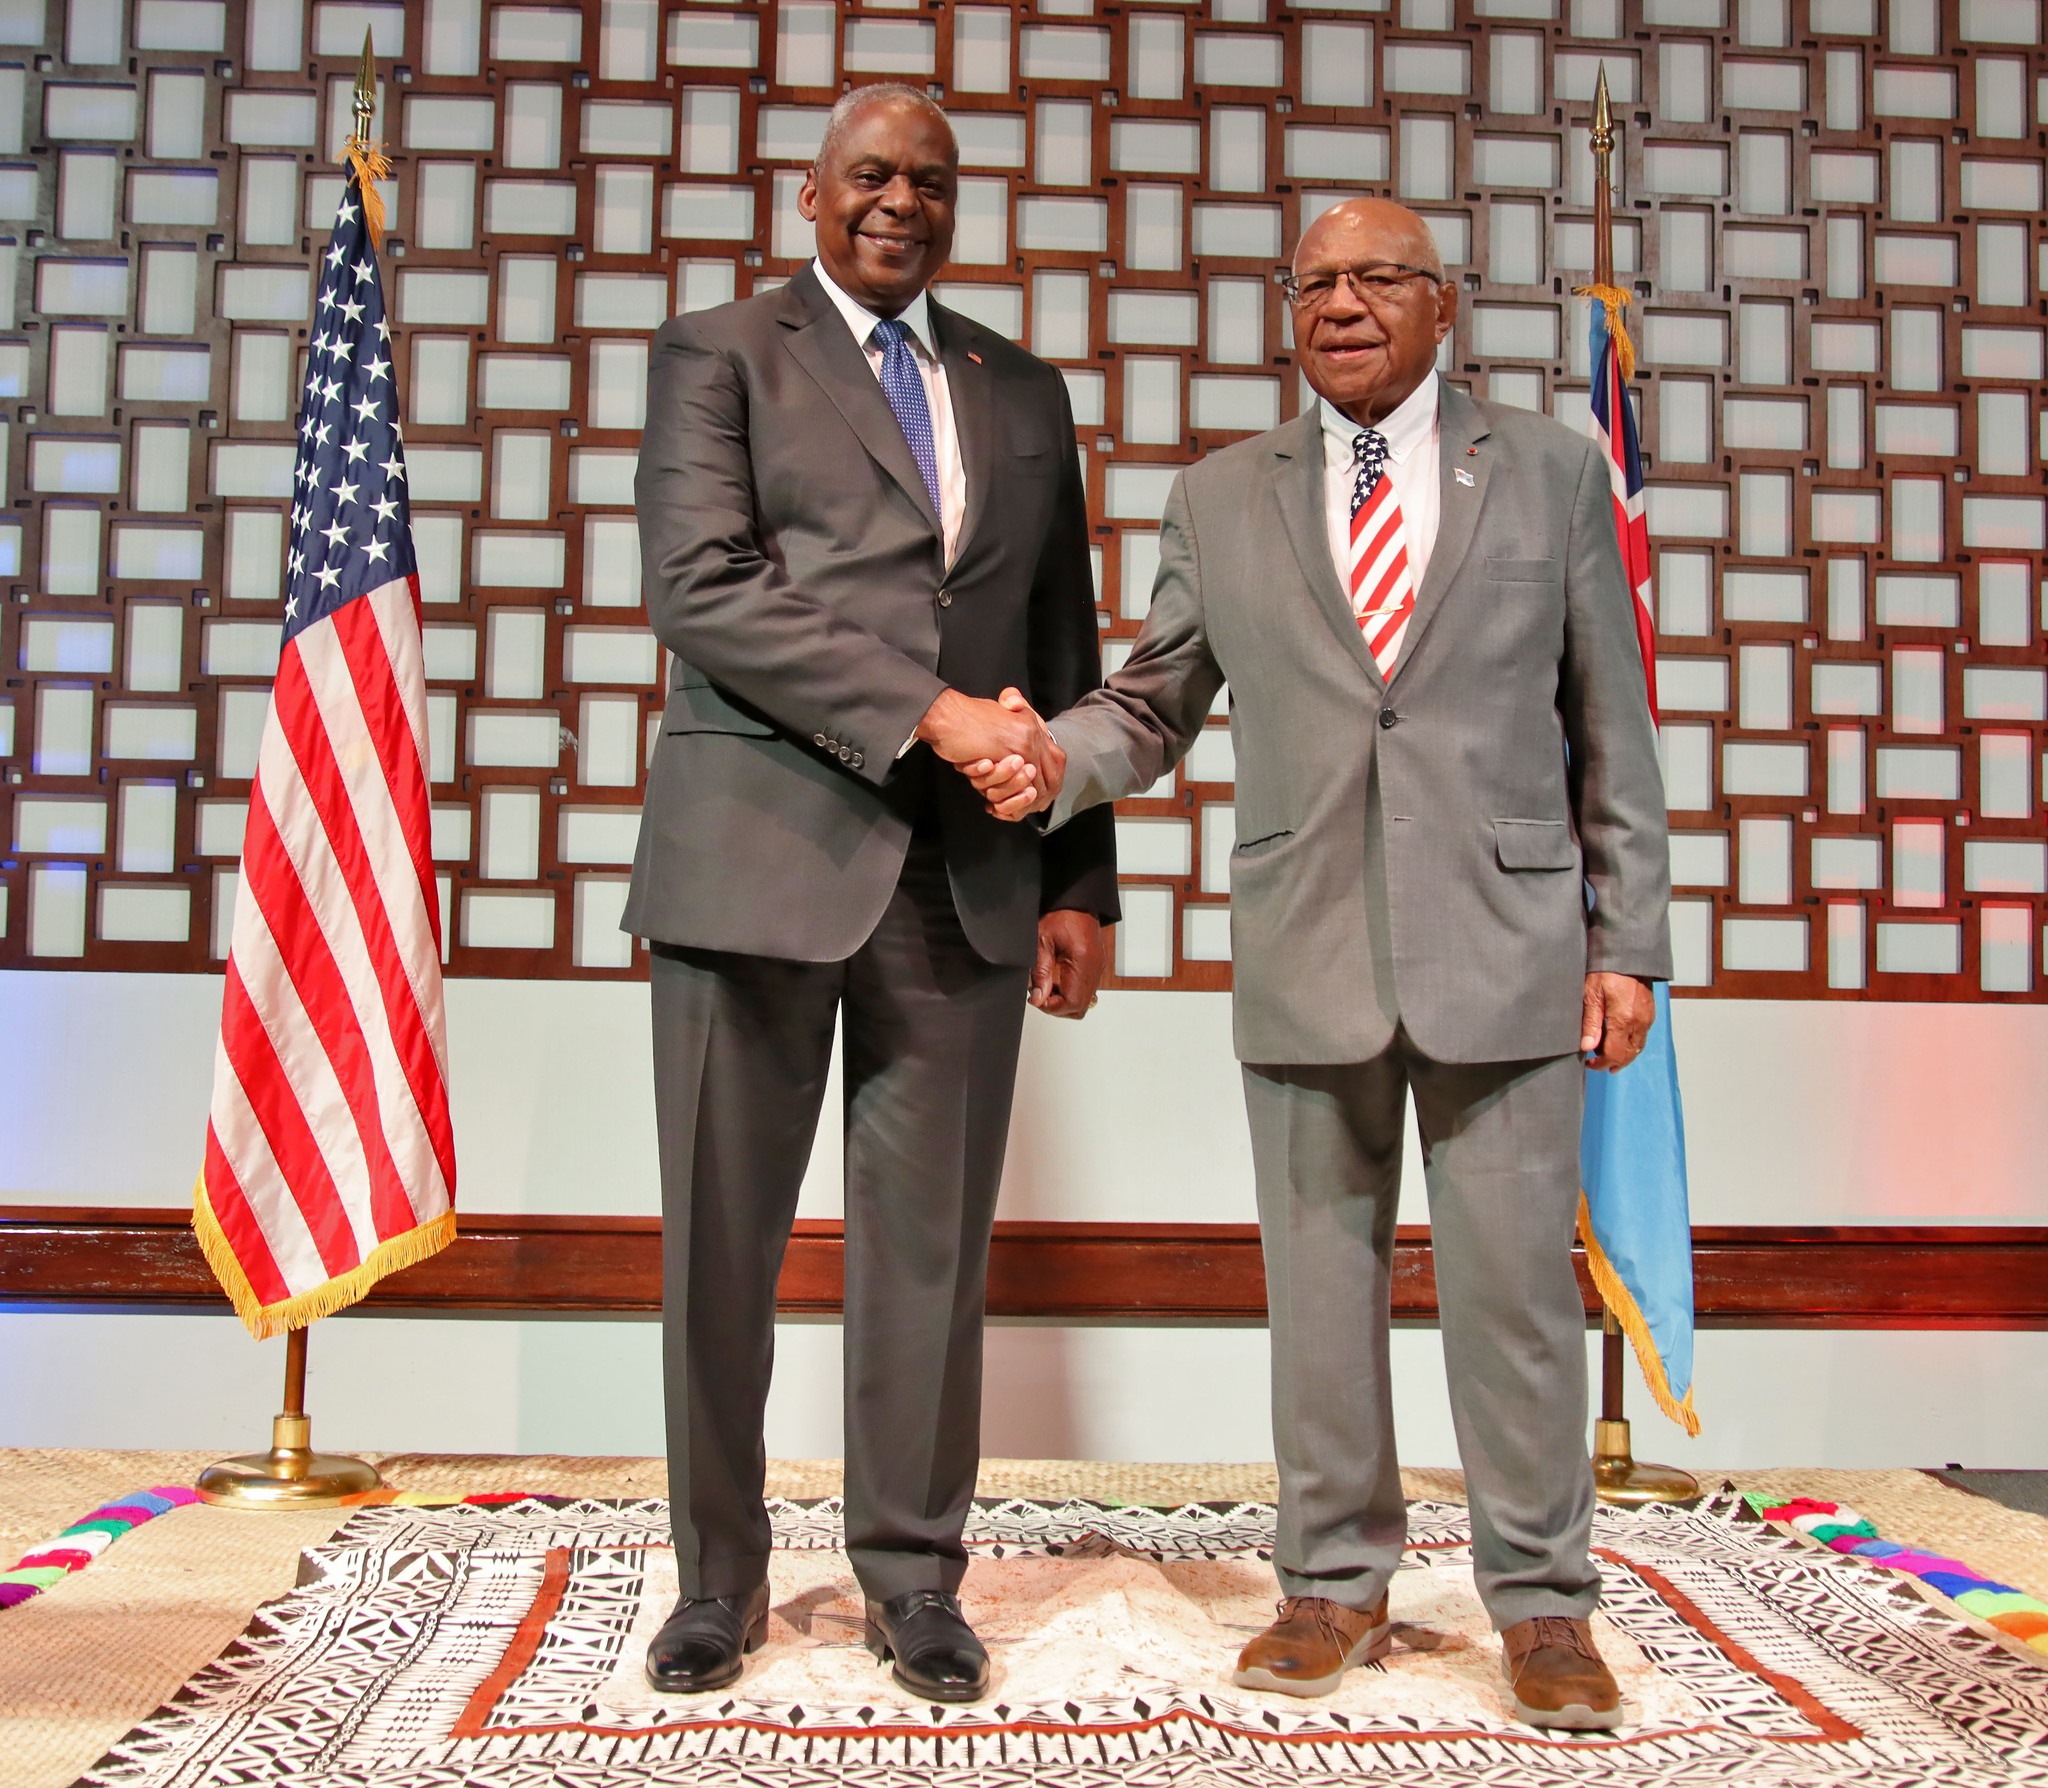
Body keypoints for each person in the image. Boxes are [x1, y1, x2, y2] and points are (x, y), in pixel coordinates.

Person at [972, 198, 1671, 1730]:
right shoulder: (1224, 497)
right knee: (1319, 1295)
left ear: (1444, 305)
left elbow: (1610, 725)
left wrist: (1630, 942)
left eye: (1377, 279)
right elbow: (1154, 702)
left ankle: (1545, 1606)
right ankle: (1332, 1584)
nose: (1341, 304)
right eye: (1315, 284)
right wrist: (1053, 759)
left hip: (1509, 949)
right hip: (1307, 949)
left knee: (1515, 1305)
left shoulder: (1552, 474)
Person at [626, 83, 1117, 1705]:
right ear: (813, 196)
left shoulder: (1021, 387)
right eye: (873, 176)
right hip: (750, 865)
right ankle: (716, 1582)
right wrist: (931, 712)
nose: (903, 202)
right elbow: (703, 590)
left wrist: (1080, 881)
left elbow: (1060, 642)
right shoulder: (717, 354)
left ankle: (914, 1579)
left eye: (933, 182)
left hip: (966, 882)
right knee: (722, 1251)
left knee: (929, 1259)